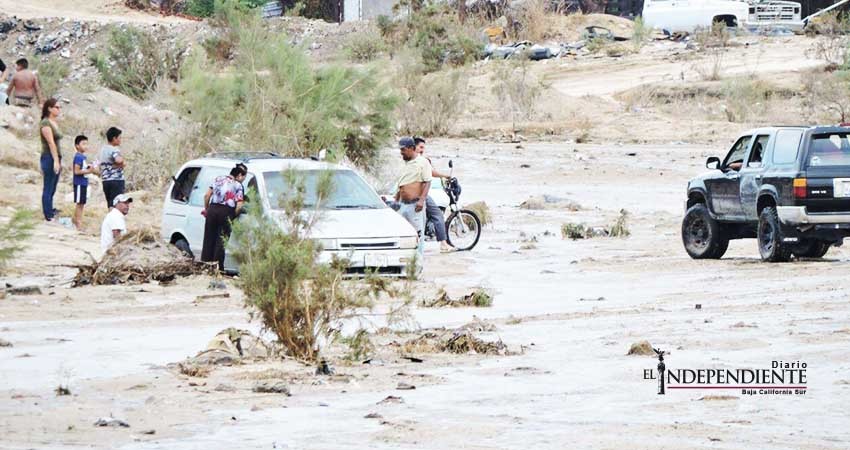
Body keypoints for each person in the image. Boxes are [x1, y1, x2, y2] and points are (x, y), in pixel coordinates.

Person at [202, 163, 247, 271]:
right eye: (243, 178)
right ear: (240, 175)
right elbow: (239, 205)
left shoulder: (218, 179)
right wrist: (233, 215)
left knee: (209, 238)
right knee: (221, 240)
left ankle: (205, 266)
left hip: (213, 209)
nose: (243, 180)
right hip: (226, 211)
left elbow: (207, 195)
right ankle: (217, 268)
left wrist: (207, 209)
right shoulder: (238, 185)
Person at [414, 137, 456, 253]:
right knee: (437, 215)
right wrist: (446, 175)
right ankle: (443, 244)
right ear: (415, 147)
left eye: (423, 148)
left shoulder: (409, 158)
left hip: (410, 192)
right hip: (420, 194)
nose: (422, 149)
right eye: (420, 147)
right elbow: (431, 173)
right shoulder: (421, 160)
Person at [395, 137, 432, 262]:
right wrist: (396, 201)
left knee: (418, 235)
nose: (401, 152)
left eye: (403, 150)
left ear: (411, 148)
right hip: (402, 204)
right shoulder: (404, 163)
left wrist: (421, 200)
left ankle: (418, 263)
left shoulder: (423, 162)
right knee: (402, 234)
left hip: (415, 205)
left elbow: (427, 182)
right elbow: (401, 184)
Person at [39, 98, 62, 221]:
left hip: (56, 156)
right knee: (48, 185)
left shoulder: (54, 122)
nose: (59, 110)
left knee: (53, 185)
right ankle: (47, 214)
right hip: (49, 157)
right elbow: (51, 143)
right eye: (57, 107)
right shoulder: (45, 124)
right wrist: (56, 161)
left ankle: (50, 208)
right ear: (49, 108)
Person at [72, 135, 98, 230]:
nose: (85, 146)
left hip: (83, 183)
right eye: (83, 144)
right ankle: (78, 223)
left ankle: (76, 220)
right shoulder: (79, 157)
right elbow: (77, 171)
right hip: (79, 183)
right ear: (77, 145)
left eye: (86, 144)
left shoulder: (83, 157)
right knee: (79, 204)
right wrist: (89, 171)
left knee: (82, 203)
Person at [99, 127, 126, 209]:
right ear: (114, 138)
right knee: (117, 204)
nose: (120, 140)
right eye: (119, 138)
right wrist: (122, 162)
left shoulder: (103, 150)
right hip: (116, 180)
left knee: (110, 204)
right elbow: (119, 160)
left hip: (105, 180)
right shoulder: (114, 150)